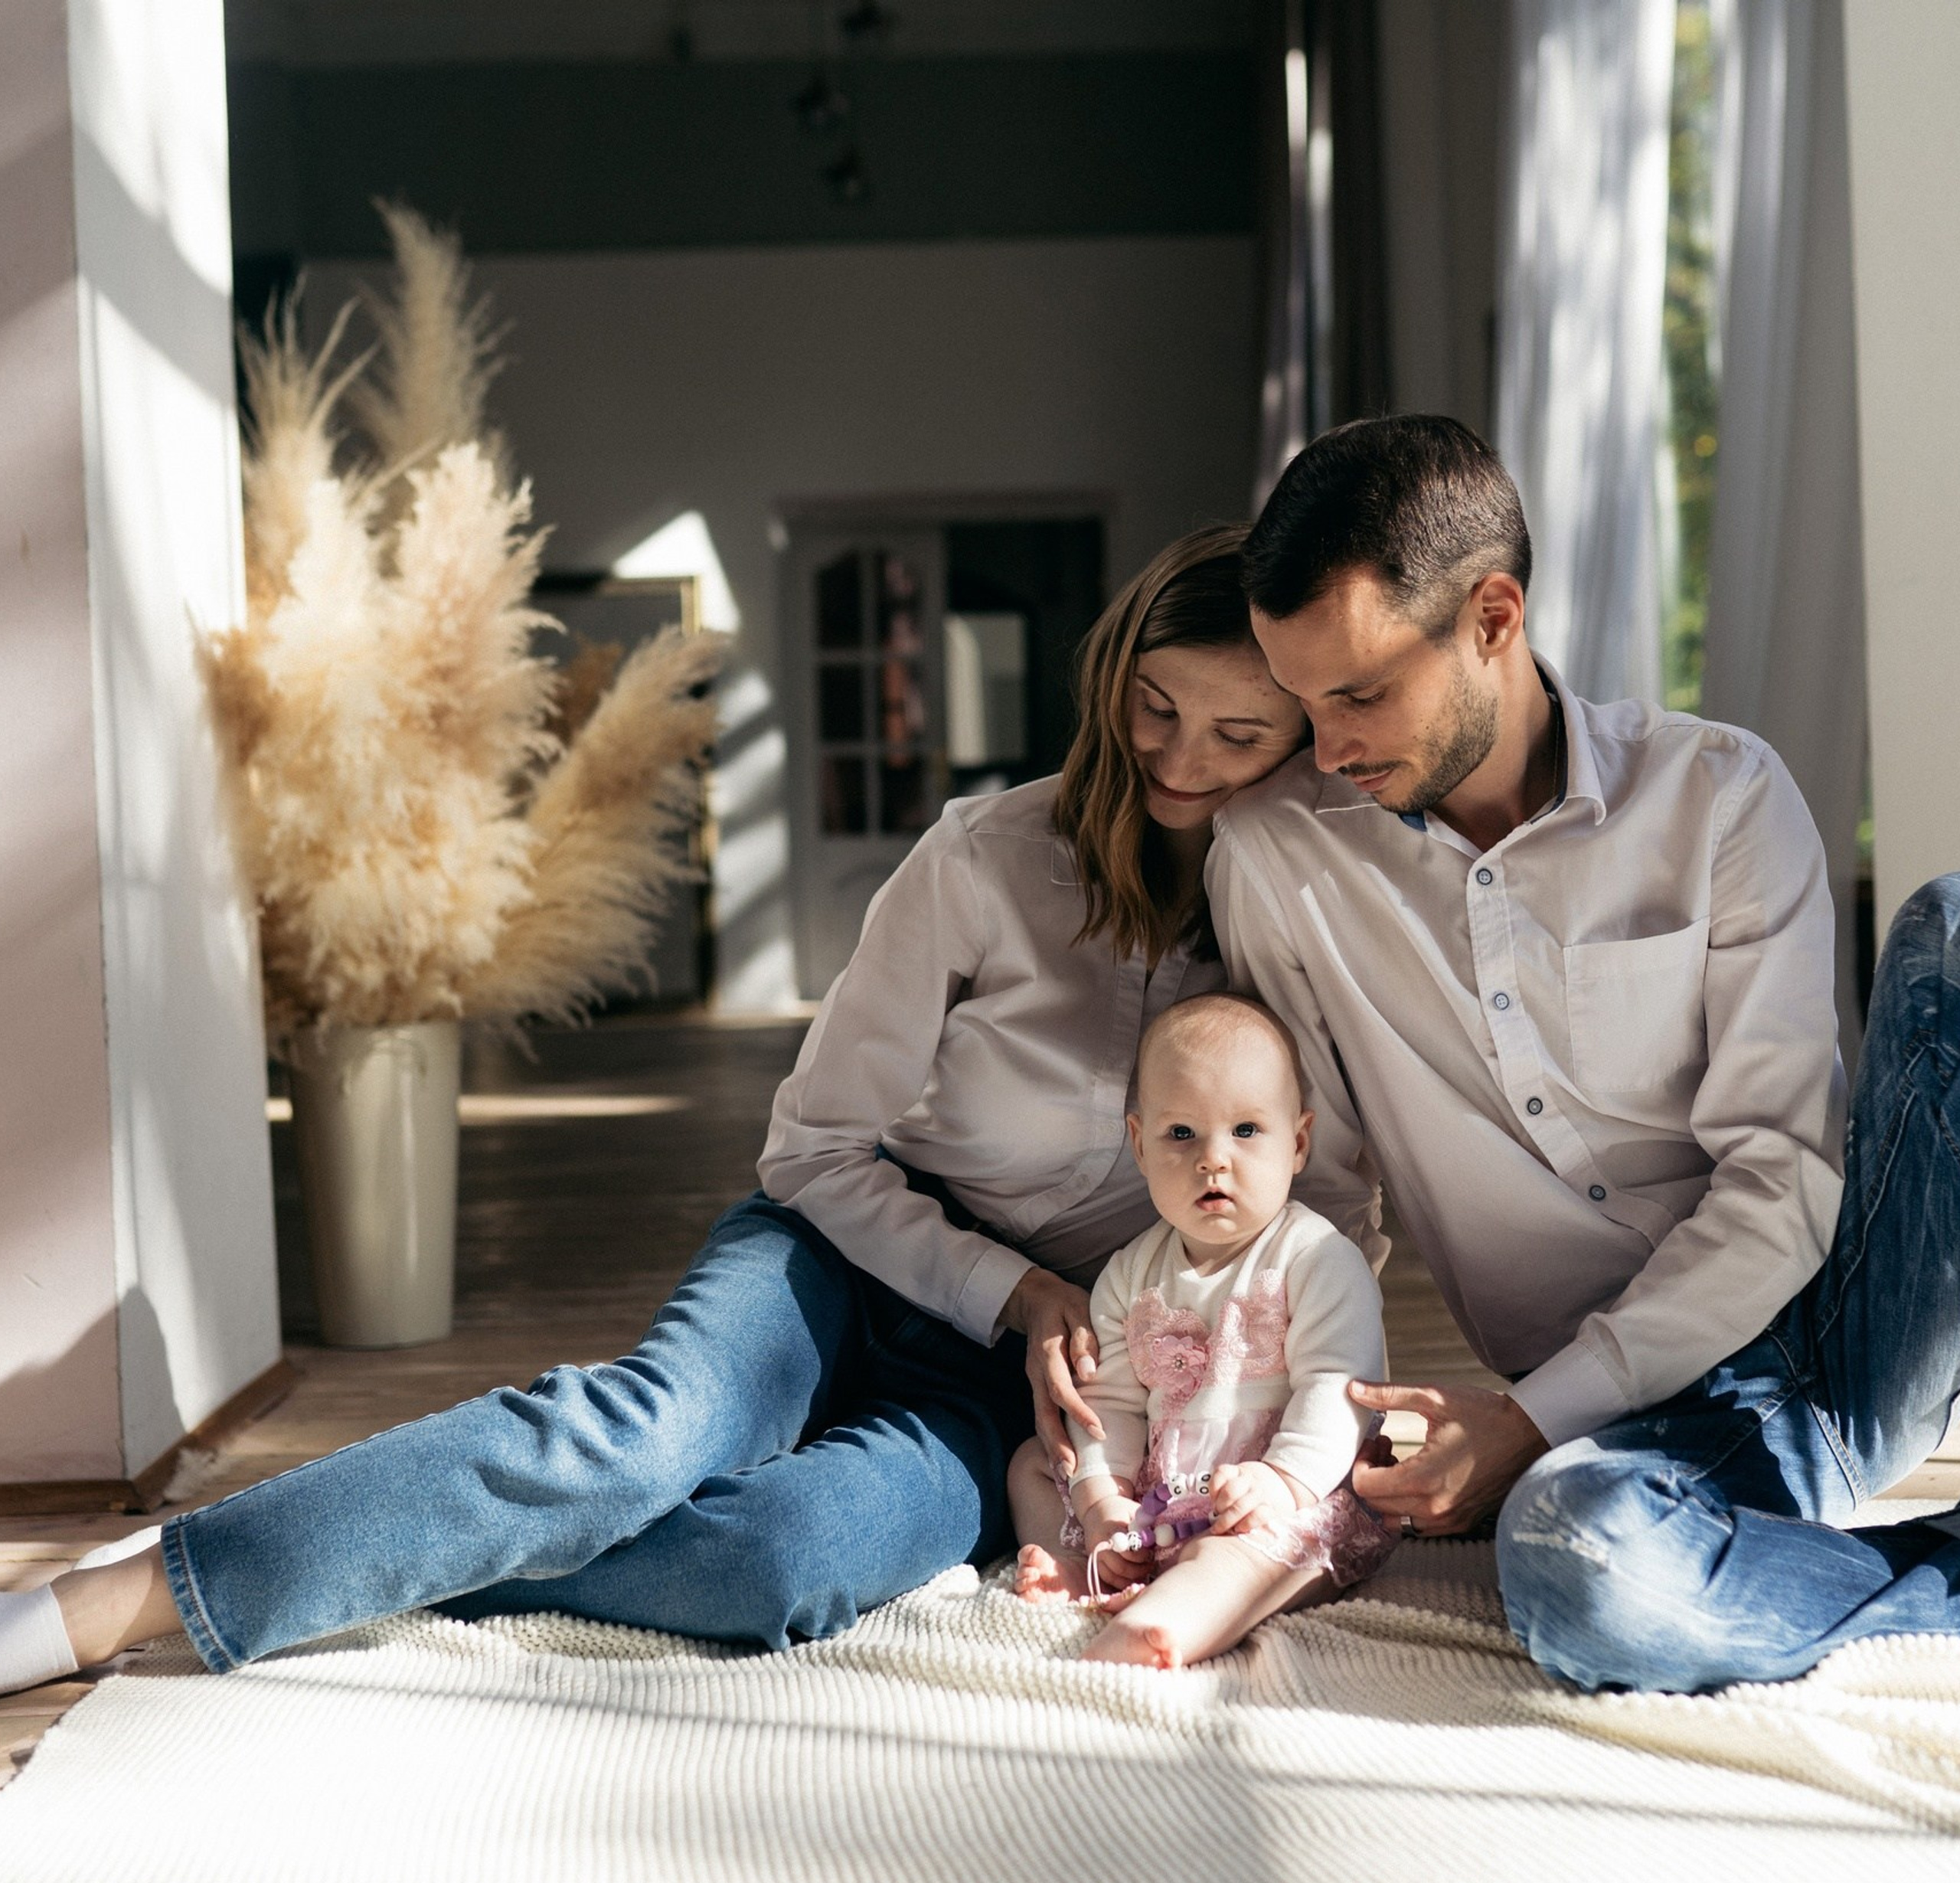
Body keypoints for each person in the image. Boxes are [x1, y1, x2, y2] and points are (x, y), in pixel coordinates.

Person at [0, 522, 1312, 1698]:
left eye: (1239, 737)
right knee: (638, 1446)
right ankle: (111, 1600)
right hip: (841, 1259)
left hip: (1020, 1388)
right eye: (1154, 708)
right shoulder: (983, 859)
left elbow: (1310, 1219)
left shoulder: (1295, 926)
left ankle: (394, 1542)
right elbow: (811, 1152)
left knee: (783, 1562)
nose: (1179, 760)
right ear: (1113, 679)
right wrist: (1013, 1291)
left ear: (1302, 737)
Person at [1210, 410, 1960, 1693]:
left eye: (1361, 693)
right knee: (1577, 1555)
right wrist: (1307, 1456)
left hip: (1844, 1320)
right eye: (1302, 701)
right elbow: (1319, 1202)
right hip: (1634, 1419)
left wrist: (1528, 1420)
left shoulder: (1720, 797)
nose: (1327, 748)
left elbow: (1781, 1185)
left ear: (1493, 618)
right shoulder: (1279, 860)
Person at [1008, 991, 1395, 1669]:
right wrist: (1104, 1501)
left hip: (1280, 1499)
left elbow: (1339, 1392)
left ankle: (1169, 1623)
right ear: (1139, 1144)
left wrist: (1282, 1482)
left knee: (1239, 1561)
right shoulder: (1130, 1275)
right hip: (1160, 1496)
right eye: (1182, 1134)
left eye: (1246, 1130)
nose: (1214, 1159)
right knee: (1034, 1468)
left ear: (1298, 1143)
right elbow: (1111, 1403)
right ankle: (1093, 1569)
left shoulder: (1315, 1259)